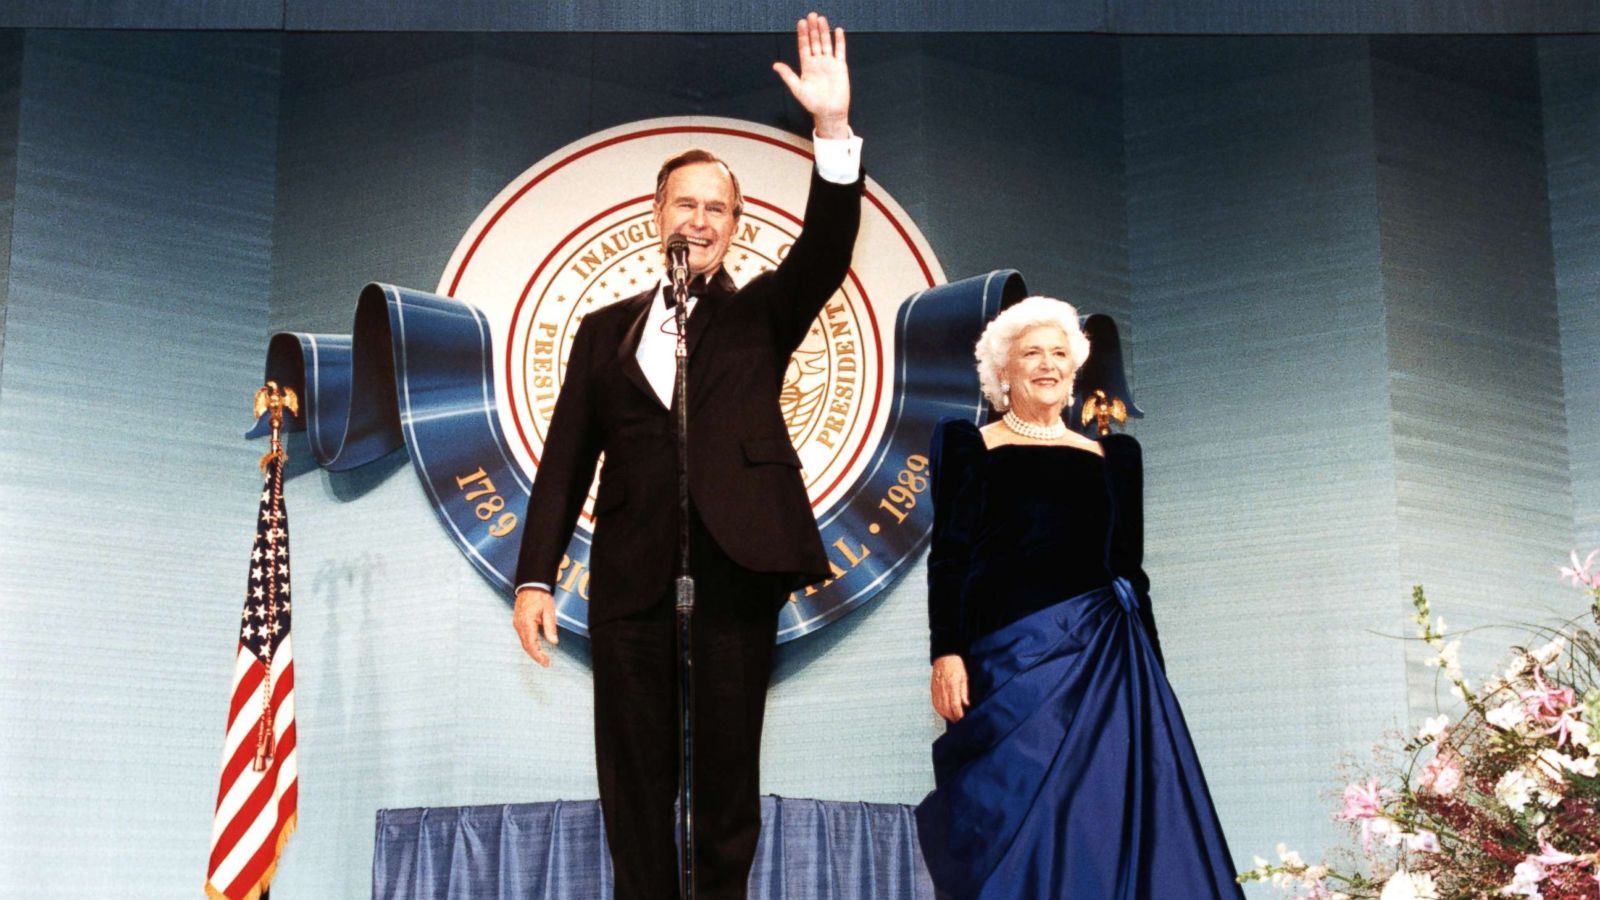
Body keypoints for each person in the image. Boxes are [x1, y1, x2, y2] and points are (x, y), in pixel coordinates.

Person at [509, 13, 862, 900]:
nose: (700, 220)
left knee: (724, 783)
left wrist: (830, 130)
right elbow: (564, 462)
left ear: (736, 228)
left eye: (718, 209)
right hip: (630, 581)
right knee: (633, 782)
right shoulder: (601, 333)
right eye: (686, 204)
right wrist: (534, 578)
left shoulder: (762, 314)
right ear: (656, 216)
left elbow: (826, 248)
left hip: (734, 573)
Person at [915, 297, 1243, 899]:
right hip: (1008, 665)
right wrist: (947, 652)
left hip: (1107, 663)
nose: (1047, 365)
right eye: (1031, 353)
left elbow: (1130, 572)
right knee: (1016, 817)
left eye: (1059, 353)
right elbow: (951, 559)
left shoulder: (1112, 457)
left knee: (1106, 822)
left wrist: (1155, 679)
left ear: (1074, 371)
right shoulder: (969, 444)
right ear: (1002, 372)